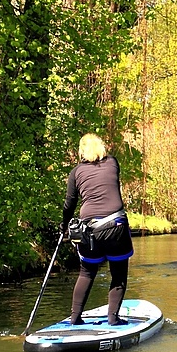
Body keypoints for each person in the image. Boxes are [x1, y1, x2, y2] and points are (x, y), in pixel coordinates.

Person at [61, 133, 132, 325]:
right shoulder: (113, 163)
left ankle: (75, 318)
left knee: (86, 272)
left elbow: (69, 204)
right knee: (118, 273)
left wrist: (64, 225)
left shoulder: (76, 172)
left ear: (81, 151)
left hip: (89, 230)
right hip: (115, 227)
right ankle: (113, 319)